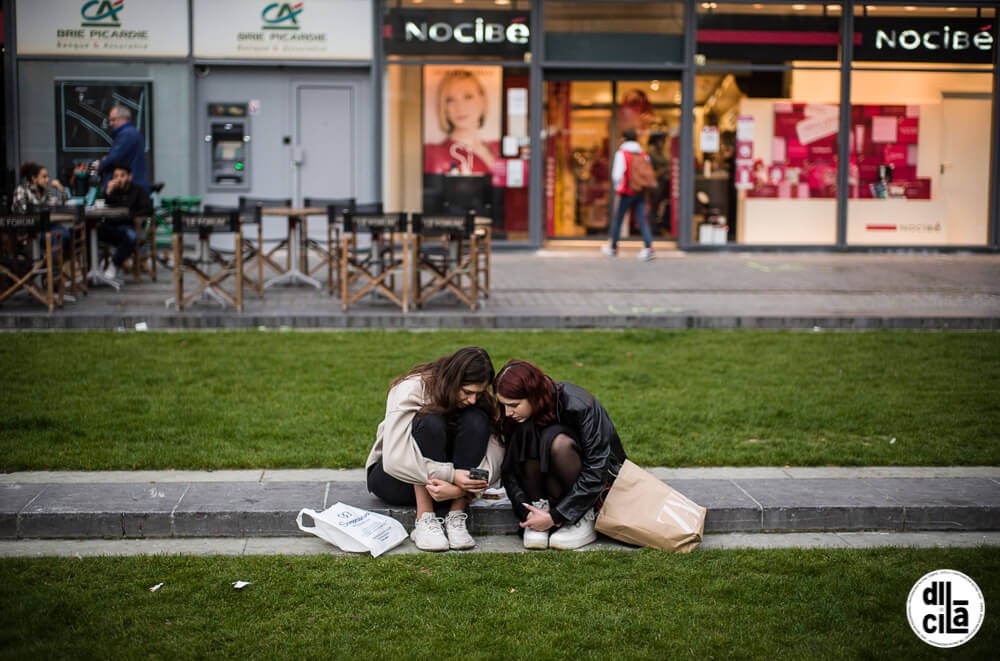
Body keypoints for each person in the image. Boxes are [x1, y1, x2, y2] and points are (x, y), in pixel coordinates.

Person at [366, 347, 505, 552]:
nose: (473, 399)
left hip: (448, 490)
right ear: (453, 380)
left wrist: (463, 487)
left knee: (477, 419)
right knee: (430, 422)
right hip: (396, 480)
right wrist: (451, 475)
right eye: (467, 392)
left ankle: (457, 514)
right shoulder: (412, 388)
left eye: (479, 393)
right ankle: (425, 519)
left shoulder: (478, 401)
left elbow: (497, 456)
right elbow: (394, 460)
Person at [493, 359, 627, 551]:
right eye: (504, 404)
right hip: (543, 494)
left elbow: (597, 467)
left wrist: (559, 515)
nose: (507, 412)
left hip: (592, 488)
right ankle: (539, 510)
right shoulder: (514, 416)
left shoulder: (580, 405)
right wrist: (526, 512)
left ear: (533, 395)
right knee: (526, 431)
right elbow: (510, 469)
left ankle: (581, 517)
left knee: (557, 441)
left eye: (514, 404)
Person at [423, 70, 499, 176]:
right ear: (444, 107)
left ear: (482, 100)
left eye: (468, 97)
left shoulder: (499, 147)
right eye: (450, 100)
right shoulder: (433, 153)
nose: (460, 107)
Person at [602, 128, 655, 261]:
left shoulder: (621, 153)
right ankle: (649, 247)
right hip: (640, 191)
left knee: (619, 219)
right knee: (642, 219)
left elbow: (616, 175)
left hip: (626, 192)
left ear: (624, 138)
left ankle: (613, 247)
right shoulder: (643, 154)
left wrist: (617, 188)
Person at [98, 163, 152, 281]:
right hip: (111, 226)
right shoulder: (112, 191)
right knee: (91, 232)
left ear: (129, 176)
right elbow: (101, 207)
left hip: (128, 226)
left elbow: (148, 209)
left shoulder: (138, 191)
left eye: (122, 176)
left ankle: (113, 265)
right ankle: (93, 268)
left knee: (131, 236)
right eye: (116, 176)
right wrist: (107, 192)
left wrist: (131, 215)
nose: (119, 179)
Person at [11, 161, 72, 251]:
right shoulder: (22, 190)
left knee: (67, 234)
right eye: (44, 177)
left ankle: (57, 261)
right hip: (28, 231)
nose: (48, 180)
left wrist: (61, 188)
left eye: (47, 176)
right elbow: (23, 213)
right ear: (34, 178)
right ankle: (52, 262)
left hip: (44, 227)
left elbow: (61, 203)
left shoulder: (45, 192)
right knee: (56, 236)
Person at [94, 105, 150, 192]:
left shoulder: (126, 134)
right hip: (135, 186)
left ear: (123, 119)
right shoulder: (132, 133)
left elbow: (114, 158)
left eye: (113, 120)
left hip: (129, 189)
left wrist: (101, 164)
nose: (111, 123)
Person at [646, 131, 671, 237]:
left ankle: (658, 226)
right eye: (662, 140)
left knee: (659, 205)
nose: (663, 143)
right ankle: (653, 228)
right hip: (656, 182)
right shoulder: (652, 152)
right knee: (654, 205)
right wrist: (665, 169)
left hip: (663, 182)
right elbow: (653, 170)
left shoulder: (660, 152)